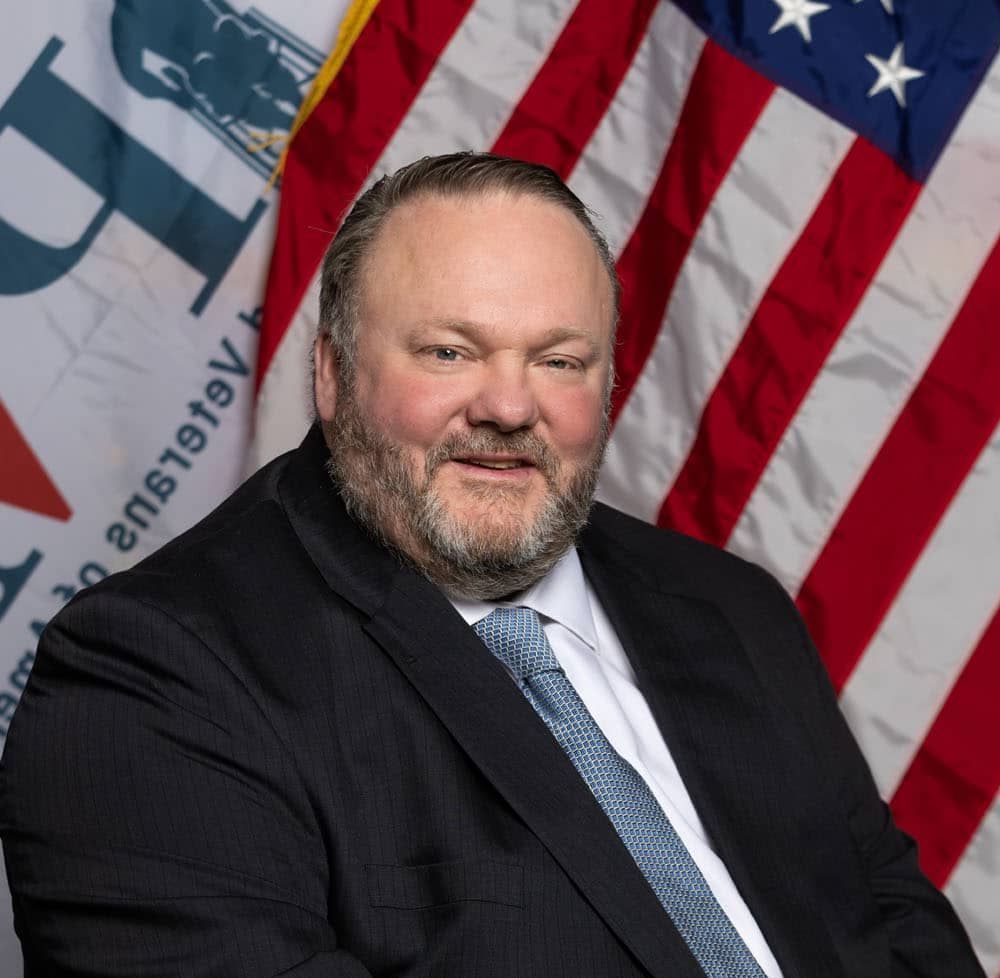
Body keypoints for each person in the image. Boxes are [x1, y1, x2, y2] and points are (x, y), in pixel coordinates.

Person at [0, 153, 984, 978]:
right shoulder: (153, 677)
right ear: (332, 372)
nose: (509, 408)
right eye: (448, 352)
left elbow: (893, 931)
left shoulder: (730, 606)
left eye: (559, 360)